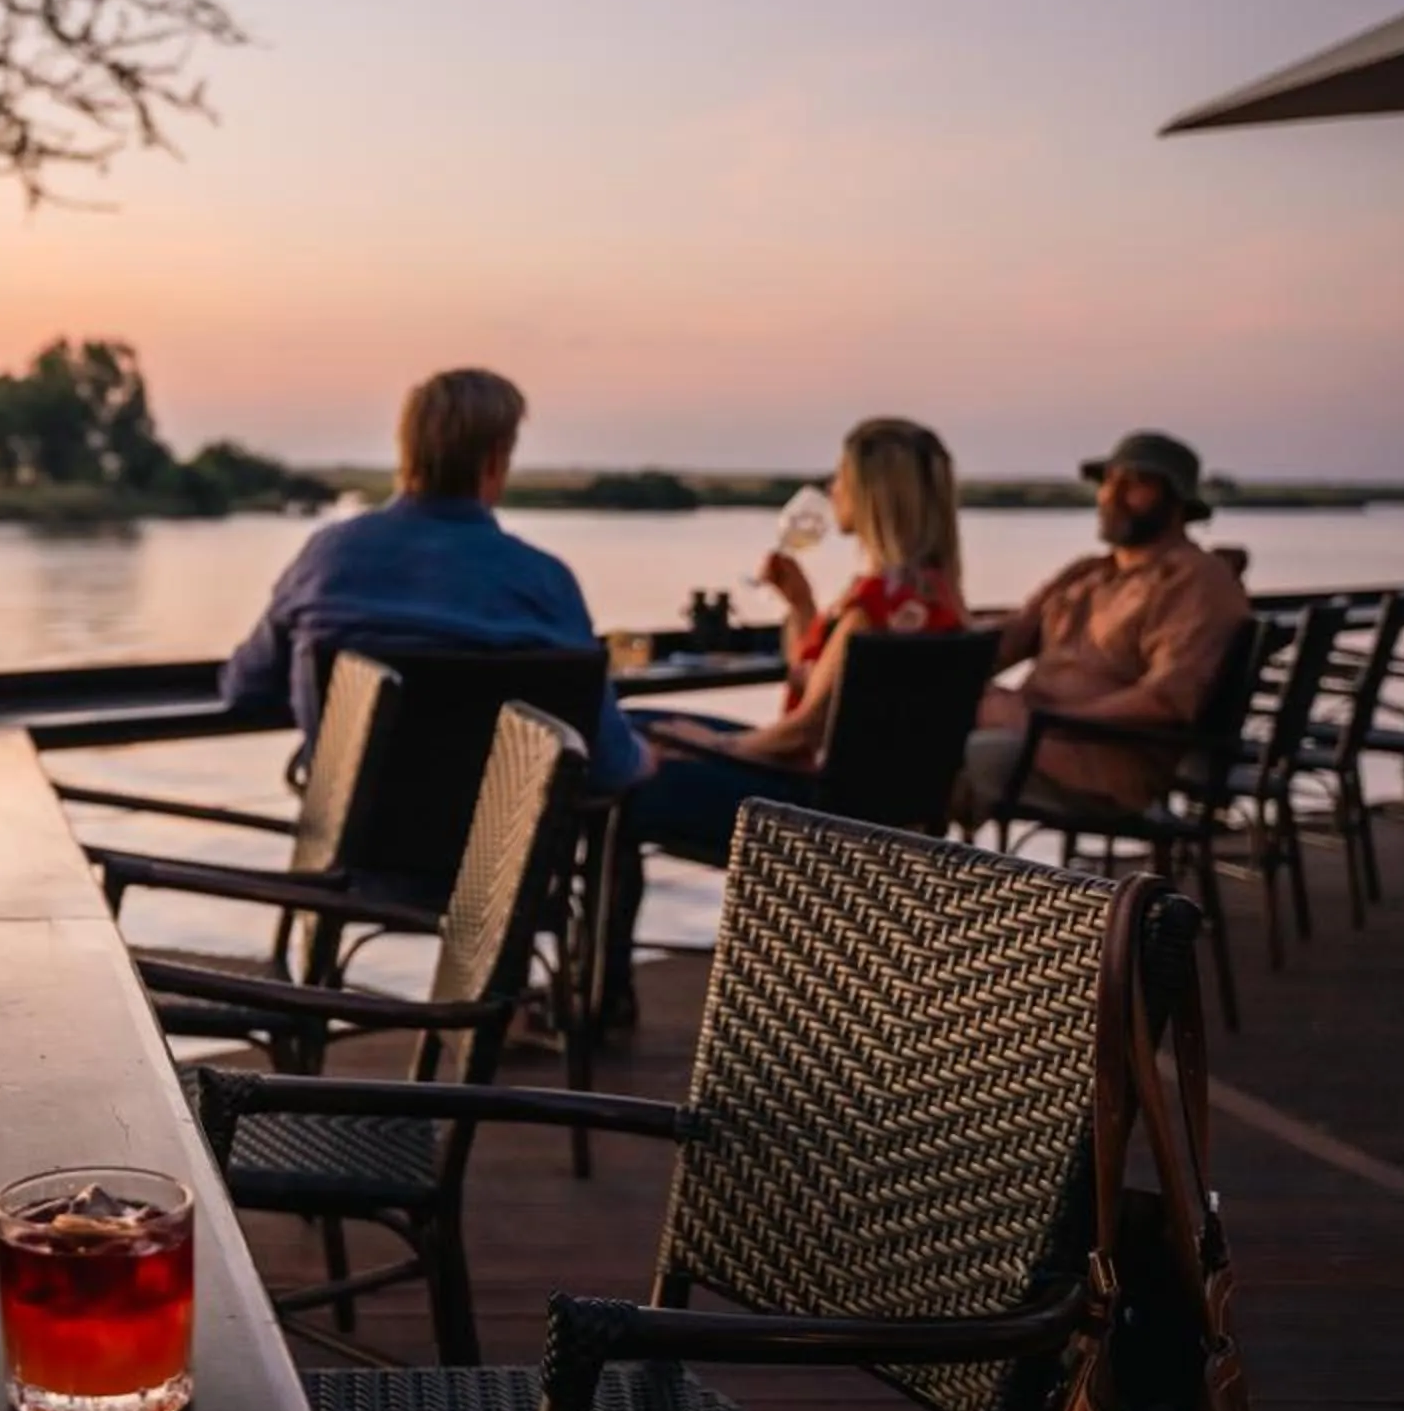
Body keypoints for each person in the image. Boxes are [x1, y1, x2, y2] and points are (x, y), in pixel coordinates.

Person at [601, 418, 971, 1012]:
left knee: (625, 769)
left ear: (875, 493)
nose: (832, 489)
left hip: (811, 809)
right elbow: (817, 695)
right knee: (637, 723)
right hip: (867, 802)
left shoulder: (874, 609)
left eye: (843, 479)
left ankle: (601, 989)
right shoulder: (934, 598)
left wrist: (710, 745)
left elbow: (803, 730)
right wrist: (800, 604)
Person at [218, 367, 649, 797]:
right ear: (496, 460)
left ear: (406, 450)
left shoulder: (327, 557)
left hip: (346, 855)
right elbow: (609, 765)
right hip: (494, 860)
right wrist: (651, 754)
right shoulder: (544, 582)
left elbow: (245, 689)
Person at [961, 429, 1252, 817]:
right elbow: (1008, 639)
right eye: (1108, 482)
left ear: (1177, 500)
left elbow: (1166, 700)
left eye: (1135, 484)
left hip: (1105, 762)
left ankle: (924, 871)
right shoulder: (1086, 575)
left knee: (944, 759)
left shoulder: (1197, 582)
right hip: (1033, 734)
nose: (1112, 497)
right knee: (898, 734)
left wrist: (1041, 722)